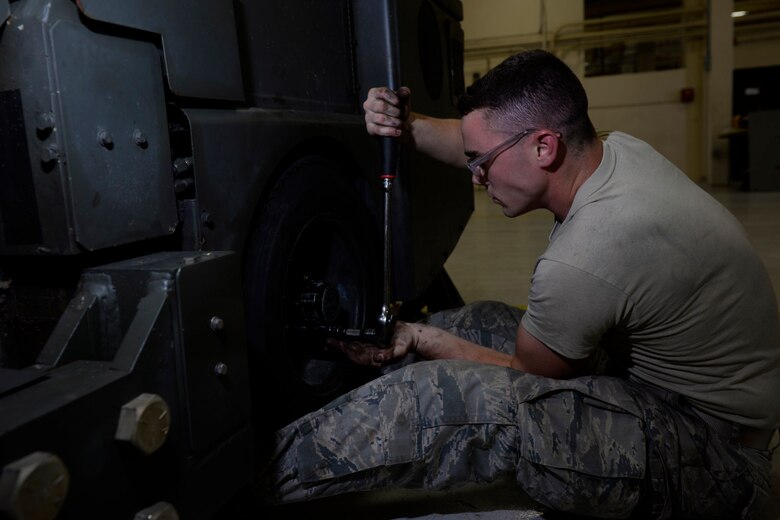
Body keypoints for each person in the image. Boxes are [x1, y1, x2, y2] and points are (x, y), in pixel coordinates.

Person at [262, 49, 780, 519]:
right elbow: (481, 141)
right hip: (665, 388)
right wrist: (405, 124)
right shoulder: (612, 152)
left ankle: (259, 480)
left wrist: (424, 339)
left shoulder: (591, 249)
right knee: (481, 320)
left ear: (543, 147)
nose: (475, 176)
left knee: (460, 402)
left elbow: (527, 379)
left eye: (482, 164)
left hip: (716, 459)